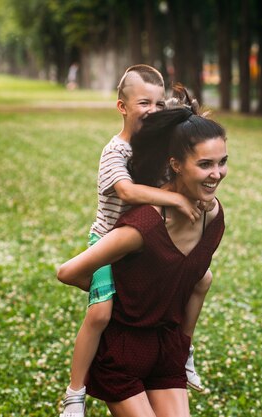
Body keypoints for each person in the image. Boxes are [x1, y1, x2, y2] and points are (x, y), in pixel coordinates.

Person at [56, 99, 228, 416]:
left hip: (166, 351)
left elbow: (191, 278)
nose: (216, 174)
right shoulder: (144, 226)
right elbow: (68, 272)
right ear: (176, 164)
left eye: (222, 162)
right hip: (122, 354)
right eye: (205, 164)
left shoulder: (213, 217)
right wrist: (116, 290)